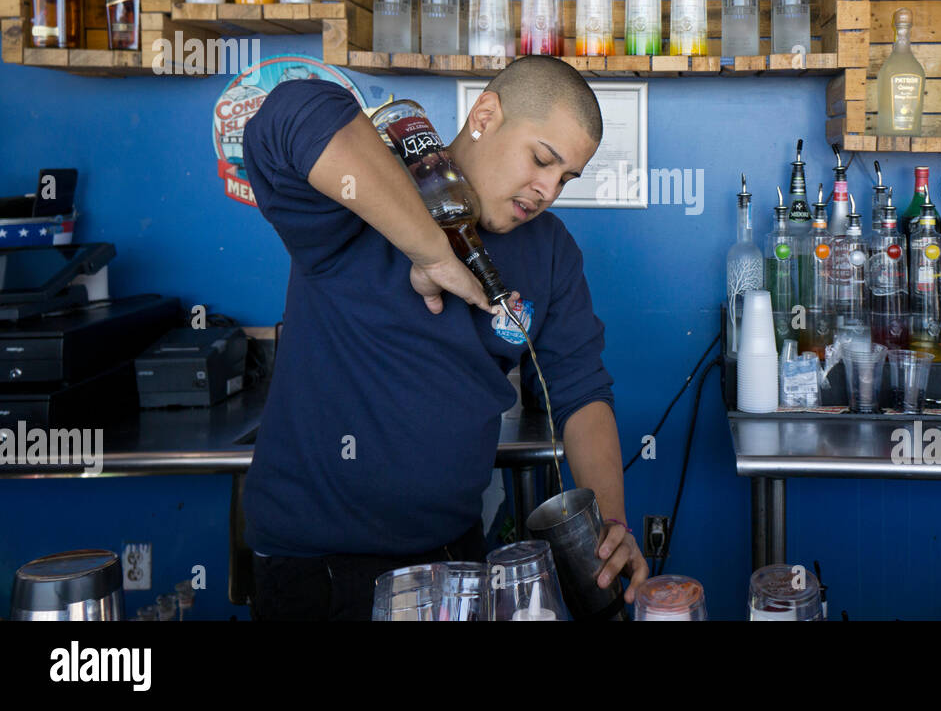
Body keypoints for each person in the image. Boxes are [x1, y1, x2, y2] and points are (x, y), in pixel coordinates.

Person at [241, 56, 647, 620]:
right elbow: (291, 113)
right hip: (319, 565)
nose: (548, 189)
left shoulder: (551, 252)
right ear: (485, 114)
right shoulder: (357, 195)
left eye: (565, 178)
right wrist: (430, 249)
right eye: (541, 159)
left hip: (455, 559)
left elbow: (579, 391)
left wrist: (613, 527)